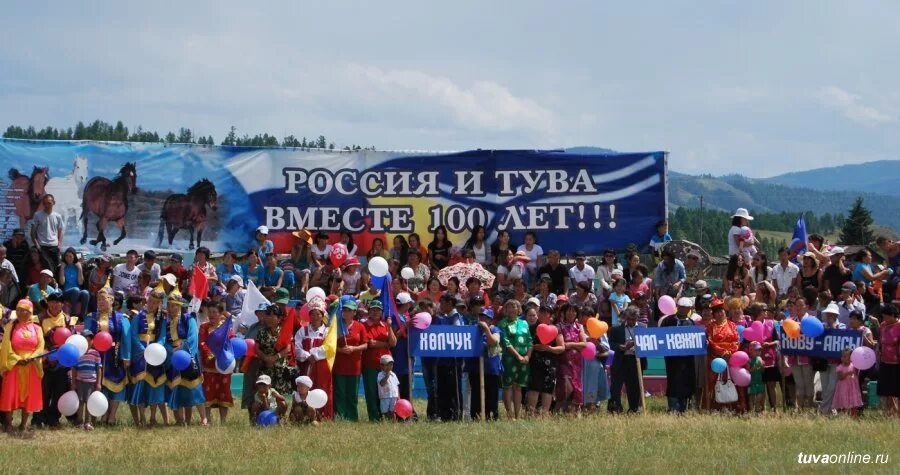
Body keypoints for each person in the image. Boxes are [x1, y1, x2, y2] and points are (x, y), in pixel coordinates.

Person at [84, 288, 131, 424]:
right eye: (98, 299)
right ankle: (102, 414)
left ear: (111, 300)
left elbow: (126, 338)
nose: (100, 302)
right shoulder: (91, 317)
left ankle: (112, 416)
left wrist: (126, 356)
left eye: (103, 299)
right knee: (99, 385)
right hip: (96, 355)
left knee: (116, 383)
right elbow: (86, 336)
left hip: (114, 354)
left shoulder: (122, 318)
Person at [0, 299, 44, 436]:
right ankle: (8, 424)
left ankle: (23, 425)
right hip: (14, 365)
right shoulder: (11, 327)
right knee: (10, 394)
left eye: (23, 310)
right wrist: (18, 359)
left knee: (29, 396)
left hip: (31, 366)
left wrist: (31, 358)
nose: (19, 313)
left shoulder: (37, 328)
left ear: (30, 312)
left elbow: (40, 346)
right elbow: (7, 347)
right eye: (18, 310)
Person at [164, 292, 208, 426]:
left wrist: (183, 350)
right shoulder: (166, 322)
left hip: (187, 356)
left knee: (195, 387)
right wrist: (170, 351)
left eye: (173, 306)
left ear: (179, 306)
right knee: (176, 387)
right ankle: (180, 419)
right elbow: (165, 340)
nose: (171, 308)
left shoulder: (189, 319)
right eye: (169, 305)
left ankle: (203, 418)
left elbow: (193, 338)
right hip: (173, 357)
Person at [127, 290, 168, 427]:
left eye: (155, 303)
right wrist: (142, 349)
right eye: (150, 301)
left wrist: (158, 348)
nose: (152, 304)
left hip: (155, 354)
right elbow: (133, 334)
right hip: (141, 354)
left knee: (154, 384)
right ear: (147, 300)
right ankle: (141, 418)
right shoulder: (139, 316)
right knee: (140, 384)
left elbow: (162, 335)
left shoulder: (161, 318)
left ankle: (153, 417)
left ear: (159, 304)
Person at [35, 291, 74, 428]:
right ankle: (39, 418)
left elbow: (71, 341)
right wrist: (47, 356)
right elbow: (37, 341)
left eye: (58, 302)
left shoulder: (68, 320)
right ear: (48, 303)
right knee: (43, 391)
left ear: (62, 304)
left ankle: (54, 418)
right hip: (45, 361)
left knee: (59, 391)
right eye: (52, 301)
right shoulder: (39, 319)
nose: (55, 305)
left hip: (62, 363)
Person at [294, 297, 333, 419]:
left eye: (318, 314)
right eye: (312, 314)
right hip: (306, 365)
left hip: (322, 366)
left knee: (322, 387)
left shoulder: (327, 331)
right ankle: (305, 415)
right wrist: (307, 356)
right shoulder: (303, 330)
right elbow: (297, 347)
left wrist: (315, 355)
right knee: (305, 388)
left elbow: (329, 347)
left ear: (323, 315)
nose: (315, 317)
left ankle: (323, 415)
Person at [199, 301, 234, 424]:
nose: (212, 315)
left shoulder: (226, 328)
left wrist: (224, 356)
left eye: (214, 312)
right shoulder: (204, 327)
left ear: (220, 314)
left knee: (223, 393)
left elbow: (231, 343)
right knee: (207, 393)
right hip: (209, 366)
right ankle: (207, 420)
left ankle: (223, 421)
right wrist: (210, 354)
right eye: (210, 312)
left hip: (223, 366)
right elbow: (202, 343)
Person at [333, 298, 368, 421]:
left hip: (354, 366)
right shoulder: (336, 325)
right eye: (345, 310)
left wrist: (354, 348)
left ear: (354, 312)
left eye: (349, 310)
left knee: (352, 394)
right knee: (340, 393)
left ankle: (352, 417)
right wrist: (341, 350)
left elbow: (366, 344)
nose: (346, 312)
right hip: (339, 365)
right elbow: (330, 345)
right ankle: (340, 416)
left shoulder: (360, 327)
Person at [661, 298, 697, 413]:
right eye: (681, 307)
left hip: (687, 360)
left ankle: (683, 407)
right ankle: (672, 407)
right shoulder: (667, 321)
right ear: (677, 306)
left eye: (686, 308)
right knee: (673, 382)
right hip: (672, 360)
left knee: (686, 381)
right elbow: (661, 337)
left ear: (690, 309)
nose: (683, 309)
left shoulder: (691, 323)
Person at [496, 299, 531, 419]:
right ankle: (509, 415)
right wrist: (518, 356)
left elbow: (530, 341)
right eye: (509, 307)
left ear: (518, 309)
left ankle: (517, 415)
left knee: (518, 387)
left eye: (514, 307)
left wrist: (527, 356)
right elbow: (506, 342)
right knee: (508, 386)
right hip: (509, 359)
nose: (512, 309)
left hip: (523, 361)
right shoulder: (502, 324)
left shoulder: (524, 323)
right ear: (505, 310)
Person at [362, 300, 396, 421]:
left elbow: (393, 342)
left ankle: (386, 415)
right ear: (369, 311)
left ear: (382, 312)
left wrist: (390, 326)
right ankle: (374, 417)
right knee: (372, 392)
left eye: (378, 310)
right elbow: (371, 343)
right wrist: (386, 344)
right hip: (370, 364)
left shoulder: (385, 325)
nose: (375, 312)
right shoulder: (364, 325)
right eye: (373, 309)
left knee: (387, 392)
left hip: (386, 366)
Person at [703, 298, 739, 411]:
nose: (720, 314)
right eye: (717, 312)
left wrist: (730, 352)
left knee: (732, 380)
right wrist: (722, 352)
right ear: (713, 315)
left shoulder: (732, 325)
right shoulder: (710, 327)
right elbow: (711, 342)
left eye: (721, 311)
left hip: (731, 357)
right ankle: (714, 408)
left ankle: (733, 407)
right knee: (713, 382)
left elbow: (736, 340)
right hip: (715, 359)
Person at [609, 307, 645, 413]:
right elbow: (611, 344)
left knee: (634, 386)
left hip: (636, 360)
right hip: (621, 360)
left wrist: (636, 345)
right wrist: (621, 347)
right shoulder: (616, 328)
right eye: (629, 319)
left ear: (638, 318)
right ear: (625, 317)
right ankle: (615, 408)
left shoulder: (643, 328)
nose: (631, 322)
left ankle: (634, 408)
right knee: (616, 386)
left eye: (634, 319)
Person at [71, 330, 102, 430]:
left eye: (90, 340)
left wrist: (98, 383)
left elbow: (99, 369)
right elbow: (74, 368)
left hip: (91, 382)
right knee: (80, 402)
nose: (88, 342)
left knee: (89, 402)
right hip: (80, 381)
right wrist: (74, 382)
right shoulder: (77, 354)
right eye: (86, 340)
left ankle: (88, 422)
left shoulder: (96, 353)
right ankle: (79, 421)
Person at [31, 194, 64, 274]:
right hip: (42, 247)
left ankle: (54, 286)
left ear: (53, 203)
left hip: (54, 247)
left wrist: (59, 244)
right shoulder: (37, 215)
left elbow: (61, 231)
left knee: (55, 269)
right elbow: (32, 232)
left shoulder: (58, 216)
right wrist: (37, 245)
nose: (47, 205)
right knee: (44, 270)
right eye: (44, 203)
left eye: (49, 203)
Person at [877, 303, 899, 416]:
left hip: (897, 363)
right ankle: (888, 412)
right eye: (883, 316)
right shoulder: (883, 325)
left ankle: (897, 412)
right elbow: (880, 340)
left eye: (886, 316)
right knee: (886, 389)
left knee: (896, 389)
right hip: (885, 361)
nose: (884, 318)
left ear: (893, 315)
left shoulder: (899, 326)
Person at [57, 248, 89, 318]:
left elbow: (80, 283)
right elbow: (62, 283)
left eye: (70, 256)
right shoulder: (62, 267)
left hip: (77, 292)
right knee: (75, 290)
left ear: (74, 257)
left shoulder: (78, 267)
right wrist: (62, 268)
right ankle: (73, 312)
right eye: (66, 256)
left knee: (85, 292)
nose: (68, 258)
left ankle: (83, 316)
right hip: (66, 292)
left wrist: (80, 269)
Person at [832, 348, 863, 417]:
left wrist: (857, 370)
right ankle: (844, 415)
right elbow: (840, 377)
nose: (845, 358)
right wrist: (848, 373)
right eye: (844, 357)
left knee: (853, 402)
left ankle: (854, 415)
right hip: (844, 388)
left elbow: (856, 374)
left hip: (853, 388)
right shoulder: (839, 367)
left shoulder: (854, 366)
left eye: (848, 357)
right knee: (844, 402)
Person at [377, 354, 400, 421]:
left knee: (393, 411)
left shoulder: (393, 374)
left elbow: (397, 385)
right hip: (385, 396)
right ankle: (385, 422)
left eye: (391, 365)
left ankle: (393, 423)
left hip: (394, 396)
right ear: (382, 366)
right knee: (385, 411)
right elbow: (382, 383)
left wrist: (398, 396)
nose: (389, 367)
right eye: (387, 365)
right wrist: (387, 376)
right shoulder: (380, 375)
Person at [747, 342, 765, 413]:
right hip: (752, 382)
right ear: (751, 350)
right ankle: (752, 411)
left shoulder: (760, 358)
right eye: (757, 350)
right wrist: (755, 367)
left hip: (759, 381)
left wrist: (762, 366)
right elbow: (748, 371)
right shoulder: (749, 360)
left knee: (759, 397)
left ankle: (758, 410)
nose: (759, 352)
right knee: (751, 398)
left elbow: (763, 371)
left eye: (760, 350)